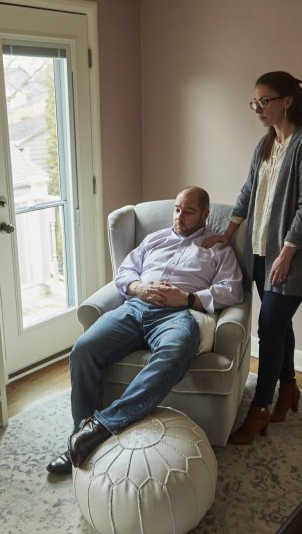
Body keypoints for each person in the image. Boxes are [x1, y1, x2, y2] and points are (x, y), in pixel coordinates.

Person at [47, 186, 244, 474]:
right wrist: (139, 287)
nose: (180, 216)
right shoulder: (154, 239)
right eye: (177, 209)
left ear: (205, 214)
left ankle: (98, 429)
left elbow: (233, 290)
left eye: (188, 211)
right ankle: (81, 433)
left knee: (175, 353)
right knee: (83, 349)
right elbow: (125, 272)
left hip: (178, 314)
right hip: (135, 307)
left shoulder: (217, 249)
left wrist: (187, 298)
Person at [203, 71, 302, 445]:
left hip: (289, 257)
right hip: (259, 252)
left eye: (264, 101)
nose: (257, 108)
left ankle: (259, 410)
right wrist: (227, 233)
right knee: (279, 326)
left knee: (270, 328)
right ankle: (289, 389)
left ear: (287, 101)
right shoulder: (266, 142)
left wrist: (287, 253)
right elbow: (247, 191)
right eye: (254, 102)